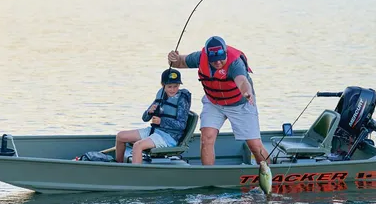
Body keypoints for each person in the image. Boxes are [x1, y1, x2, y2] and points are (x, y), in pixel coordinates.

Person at [167, 36, 269, 166]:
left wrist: (247, 92)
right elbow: (178, 63)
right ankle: (208, 176)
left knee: (254, 145)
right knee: (206, 138)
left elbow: (242, 80)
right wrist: (172, 59)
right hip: (213, 103)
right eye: (214, 61)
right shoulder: (200, 57)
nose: (218, 63)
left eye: (221, 59)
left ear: (225, 52)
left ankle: (270, 174)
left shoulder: (235, 63)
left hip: (240, 103)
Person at [113, 68, 191, 164]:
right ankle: (119, 165)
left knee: (137, 146)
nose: (173, 89)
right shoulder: (161, 95)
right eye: (169, 86)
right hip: (155, 131)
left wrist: (161, 121)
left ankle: (135, 175)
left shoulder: (182, 100)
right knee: (121, 136)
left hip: (169, 137)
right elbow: (145, 118)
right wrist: (149, 112)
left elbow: (181, 125)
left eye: (175, 86)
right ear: (163, 85)